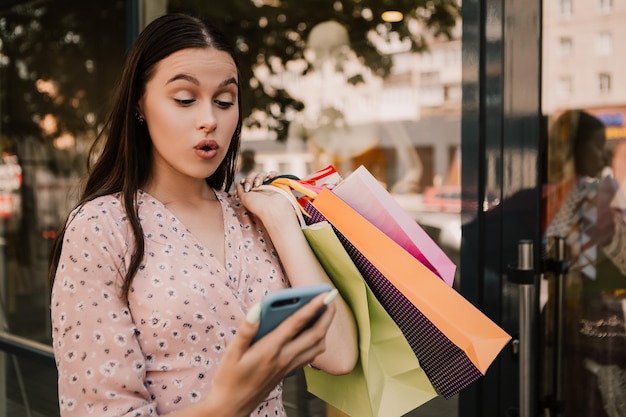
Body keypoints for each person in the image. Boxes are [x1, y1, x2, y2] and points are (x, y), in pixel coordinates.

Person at [48, 13, 358, 417]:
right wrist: (229, 404)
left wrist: (282, 223)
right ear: (140, 104)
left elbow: (338, 355)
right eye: (184, 99)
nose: (209, 119)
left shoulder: (253, 217)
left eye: (225, 101)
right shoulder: (102, 227)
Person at [543, 110, 626, 417]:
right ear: (573, 149)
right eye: (594, 144)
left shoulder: (557, 196)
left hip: (570, 315)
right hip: (591, 321)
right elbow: (604, 268)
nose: (600, 153)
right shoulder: (591, 196)